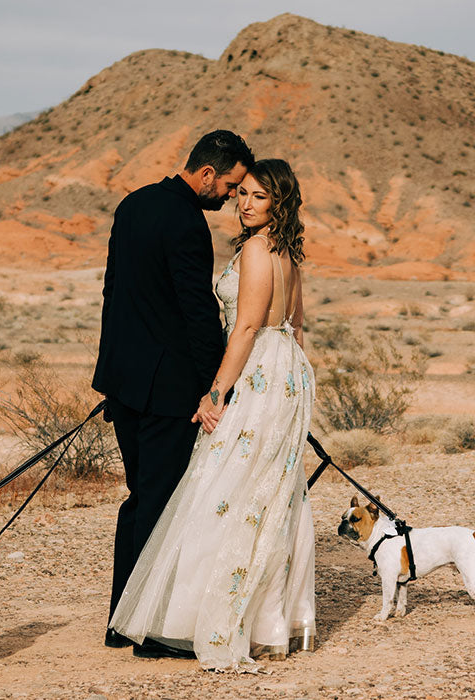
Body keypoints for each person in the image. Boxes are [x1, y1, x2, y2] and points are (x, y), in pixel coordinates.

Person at [110, 159, 316, 672]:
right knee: (268, 490)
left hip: (255, 372)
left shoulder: (253, 250)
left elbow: (245, 329)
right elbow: (297, 324)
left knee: (223, 487)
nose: (244, 204)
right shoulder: (287, 251)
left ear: (279, 203)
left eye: (258, 197)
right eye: (241, 193)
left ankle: (205, 618)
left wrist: (216, 394)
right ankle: (271, 621)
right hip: (285, 369)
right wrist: (294, 384)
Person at [92, 130, 253, 657]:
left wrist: (111, 372)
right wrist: (215, 386)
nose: (231, 197)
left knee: (139, 498)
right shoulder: (185, 220)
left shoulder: (132, 204)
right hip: (167, 390)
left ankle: (121, 622)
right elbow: (197, 311)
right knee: (161, 504)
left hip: (123, 381)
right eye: (229, 186)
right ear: (207, 174)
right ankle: (148, 630)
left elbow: (112, 293)